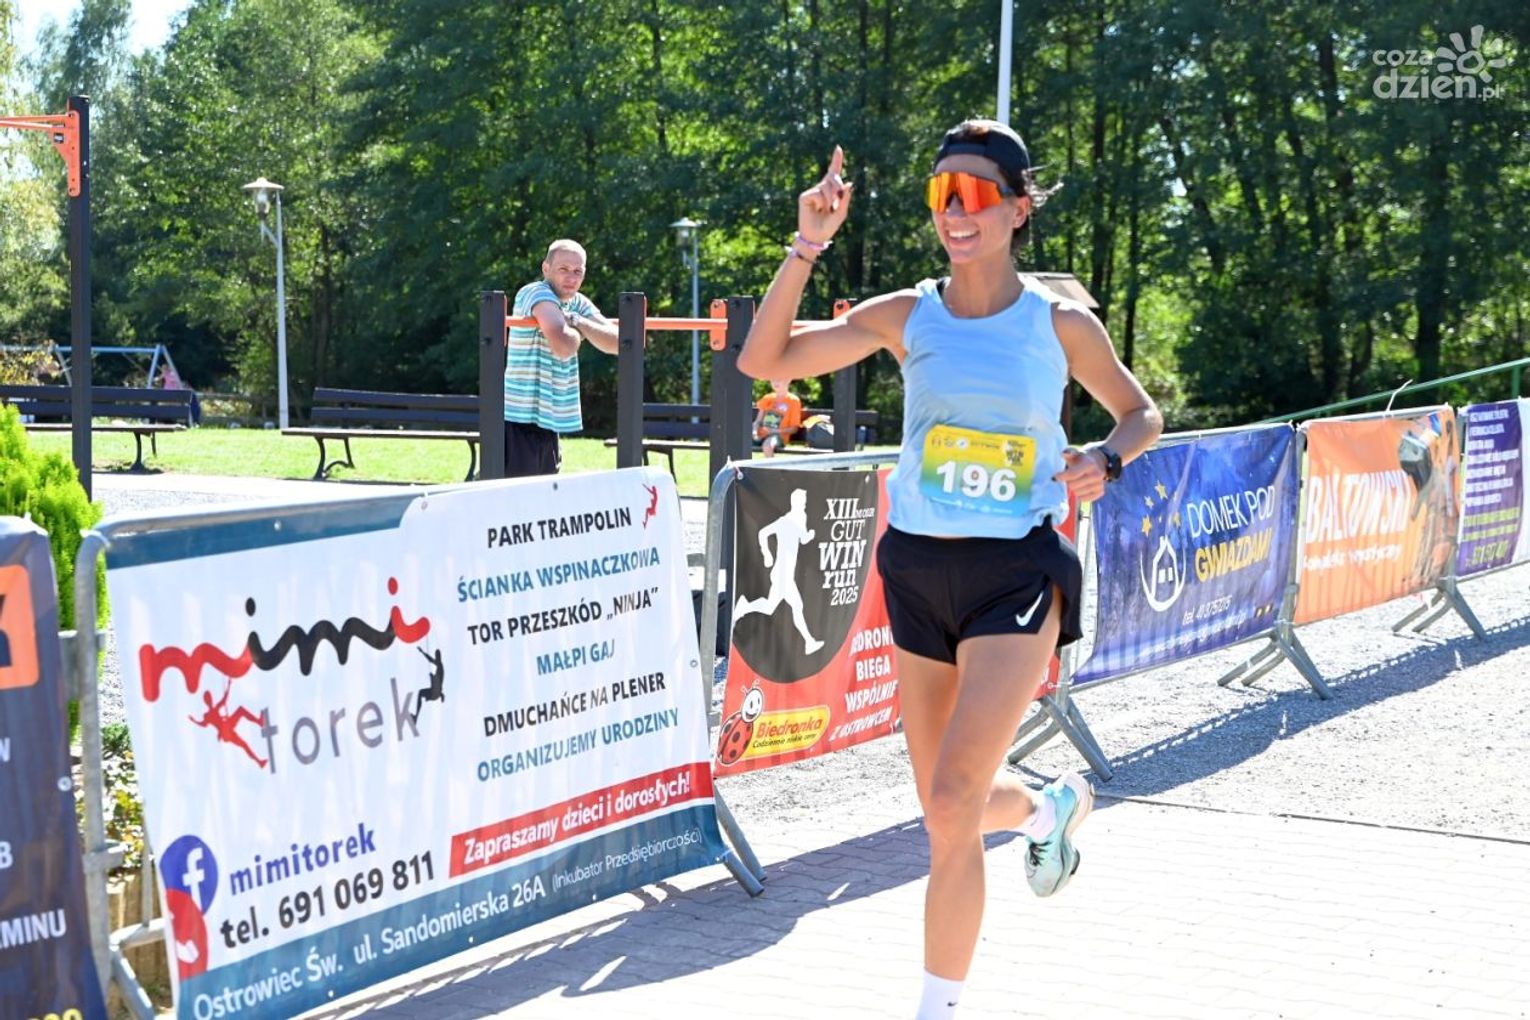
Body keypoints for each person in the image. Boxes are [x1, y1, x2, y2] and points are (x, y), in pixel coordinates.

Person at [738, 120, 1163, 1019]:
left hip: (1017, 572)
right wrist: (808, 244)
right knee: (945, 810)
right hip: (918, 569)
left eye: (974, 195)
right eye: (941, 195)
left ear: (1017, 209)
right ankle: (1047, 807)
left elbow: (1140, 413)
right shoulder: (909, 313)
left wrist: (1106, 458)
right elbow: (762, 360)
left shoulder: (1059, 324)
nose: (955, 212)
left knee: (954, 796)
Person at [504, 239, 620, 477]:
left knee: (546, 494)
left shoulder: (577, 303)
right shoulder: (536, 292)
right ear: (546, 268)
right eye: (563, 269)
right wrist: (582, 334)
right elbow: (564, 346)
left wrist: (578, 322)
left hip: (549, 418)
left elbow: (620, 343)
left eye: (578, 271)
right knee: (515, 493)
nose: (571, 277)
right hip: (517, 417)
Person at [752, 378, 804, 457]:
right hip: (760, 435)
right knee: (738, 441)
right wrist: (754, 431)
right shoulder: (767, 398)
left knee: (768, 446)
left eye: (779, 379)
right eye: (773, 380)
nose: (775, 382)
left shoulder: (793, 401)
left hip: (779, 436)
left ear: (788, 380)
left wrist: (774, 431)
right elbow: (758, 421)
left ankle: (770, 465)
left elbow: (794, 429)